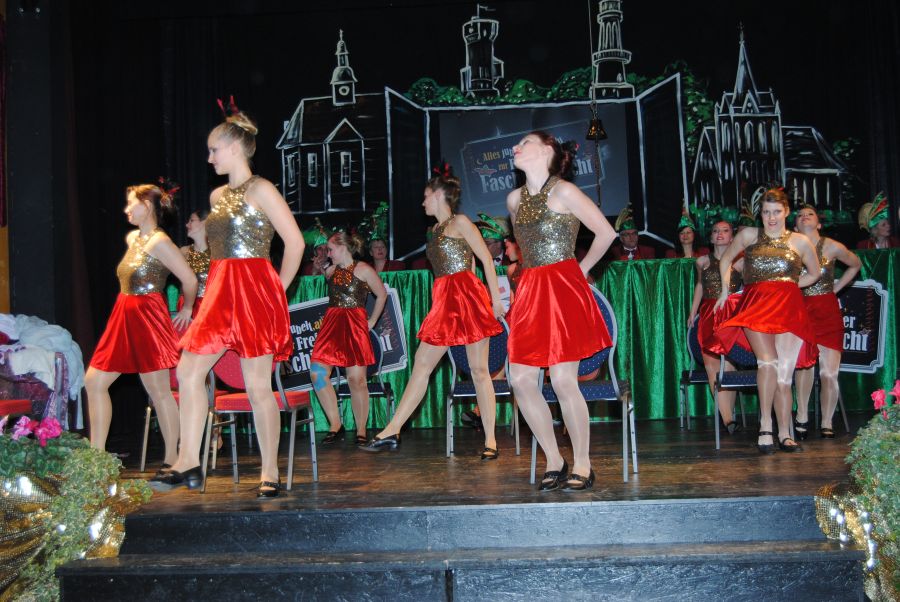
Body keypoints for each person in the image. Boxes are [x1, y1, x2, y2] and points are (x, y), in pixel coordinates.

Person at [150, 108, 304, 498]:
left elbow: (296, 243)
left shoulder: (262, 189)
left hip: (253, 290)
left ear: (235, 147)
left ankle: (269, 470)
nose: (209, 158)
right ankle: (188, 459)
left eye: (214, 150)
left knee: (257, 385)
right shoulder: (217, 196)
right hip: (219, 290)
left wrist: (278, 290)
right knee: (188, 370)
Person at [361, 166, 505, 459]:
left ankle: (490, 440)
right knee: (422, 364)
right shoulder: (436, 230)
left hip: (467, 297)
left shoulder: (461, 222)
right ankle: (392, 430)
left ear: (439, 195)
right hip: (444, 300)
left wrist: (494, 301)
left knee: (479, 371)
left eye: (426, 196)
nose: (422, 202)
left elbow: (484, 260)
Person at [505, 131, 617, 491]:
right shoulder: (513, 199)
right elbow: (527, 250)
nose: (516, 147)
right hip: (531, 290)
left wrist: (580, 272)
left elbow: (606, 233)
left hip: (562, 287)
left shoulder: (564, 191)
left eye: (525, 142)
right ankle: (554, 458)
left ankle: (583, 462)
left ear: (547, 150)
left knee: (563, 380)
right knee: (520, 380)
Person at [85, 184, 198, 471]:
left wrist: (187, 308)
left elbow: (189, 279)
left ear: (147, 207)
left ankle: (173, 459)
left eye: (130, 204)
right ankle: (96, 459)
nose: (126, 210)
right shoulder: (134, 237)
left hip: (148, 316)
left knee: (159, 391)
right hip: (124, 314)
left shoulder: (160, 242)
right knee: (94, 382)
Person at [713, 188, 821, 454]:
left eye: (776, 212)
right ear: (760, 214)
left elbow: (815, 273)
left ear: (786, 212)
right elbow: (725, 259)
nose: (771, 217)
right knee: (768, 363)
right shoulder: (749, 235)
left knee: (784, 376)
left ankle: (785, 433)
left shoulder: (800, 241)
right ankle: (765, 425)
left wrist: (790, 285)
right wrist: (725, 292)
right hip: (756, 306)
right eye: (766, 212)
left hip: (789, 309)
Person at [310, 231, 388, 446]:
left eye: (330, 249)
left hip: (354, 326)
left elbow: (382, 294)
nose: (328, 253)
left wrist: (372, 320)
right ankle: (336, 424)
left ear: (343, 247)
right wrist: (319, 266)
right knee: (317, 373)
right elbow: (323, 270)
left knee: (356, 380)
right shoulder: (331, 271)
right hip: (331, 326)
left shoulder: (364, 269)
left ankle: (361, 430)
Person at [793, 205, 861, 438]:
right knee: (804, 366)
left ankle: (827, 422)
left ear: (819, 223)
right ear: (795, 226)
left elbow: (855, 264)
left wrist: (837, 287)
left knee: (829, 373)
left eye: (809, 214)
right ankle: (801, 416)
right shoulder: (789, 247)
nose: (804, 217)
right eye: (800, 215)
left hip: (826, 310)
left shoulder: (831, 246)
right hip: (800, 311)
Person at [686, 221, 745, 432]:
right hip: (709, 313)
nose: (720, 234)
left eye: (725, 230)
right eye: (716, 231)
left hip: (731, 314)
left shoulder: (740, 262)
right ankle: (727, 418)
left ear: (732, 237)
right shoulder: (702, 261)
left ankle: (728, 415)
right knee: (711, 363)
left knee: (729, 365)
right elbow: (700, 285)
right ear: (710, 237)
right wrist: (693, 311)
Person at [179, 208, 210, 319]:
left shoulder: (217, 253)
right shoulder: (183, 252)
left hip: (209, 308)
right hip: (186, 308)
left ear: (204, 222)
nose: (187, 225)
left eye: (191, 220)